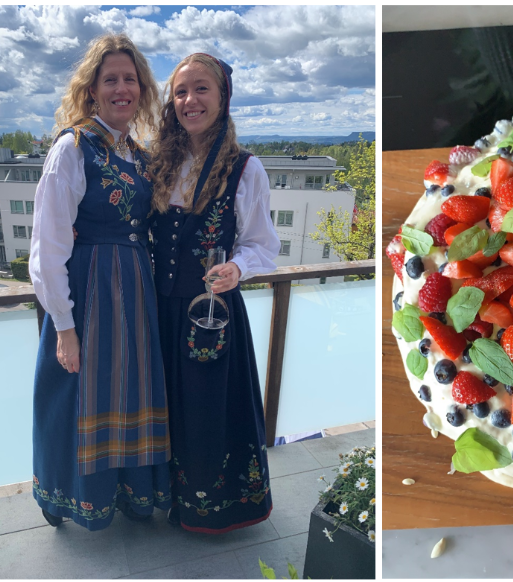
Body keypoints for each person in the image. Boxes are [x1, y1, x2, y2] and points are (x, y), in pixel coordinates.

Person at [29, 33, 171, 531]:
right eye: (109, 79)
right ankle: (66, 498)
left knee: (132, 390)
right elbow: (48, 247)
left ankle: (131, 492)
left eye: (129, 79)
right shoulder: (71, 148)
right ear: (91, 89)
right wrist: (64, 327)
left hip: (134, 290)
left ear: (142, 89)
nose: (121, 88)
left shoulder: (138, 153)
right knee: (78, 395)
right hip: (88, 292)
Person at [148, 53, 280, 533]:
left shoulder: (246, 169)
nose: (189, 100)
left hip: (209, 315)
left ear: (223, 98)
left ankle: (218, 510)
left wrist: (236, 268)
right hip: (159, 312)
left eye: (201, 89)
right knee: (163, 406)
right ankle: (163, 498)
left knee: (207, 414)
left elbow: (263, 247)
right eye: (181, 91)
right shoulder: (159, 162)